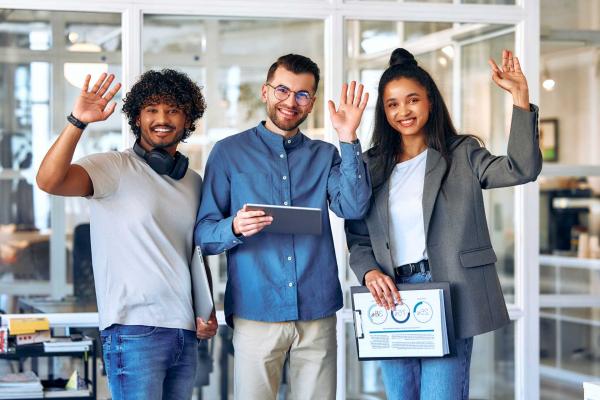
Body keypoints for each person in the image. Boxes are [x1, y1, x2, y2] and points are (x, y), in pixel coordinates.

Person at [345, 48, 542, 400]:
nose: (403, 111)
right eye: (392, 104)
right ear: (383, 111)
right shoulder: (371, 165)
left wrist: (521, 98)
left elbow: (521, 169)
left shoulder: (462, 154)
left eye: (412, 100)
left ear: (430, 102)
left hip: (447, 289)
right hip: (389, 296)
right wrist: (369, 272)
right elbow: (358, 236)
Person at [195, 53, 371, 400]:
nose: (291, 101)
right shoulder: (228, 153)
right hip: (256, 309)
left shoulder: (325, 155)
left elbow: (353, 206)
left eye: (302, 94)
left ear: (312, 103)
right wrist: (235, 226)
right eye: (282, 90)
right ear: (265, 92)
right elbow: (204, 234)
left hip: (317, 310)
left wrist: (348, 138)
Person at [36, 69, 218, 400]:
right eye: (152, 109)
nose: (162, 118)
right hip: (134, 330)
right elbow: (49, 181)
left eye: (173, 109)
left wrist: (205, 309)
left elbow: (193, 252)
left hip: (184, 331)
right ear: (136, 117)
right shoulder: (113, 168)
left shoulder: (193, 181)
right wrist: (78, 121)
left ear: (188, 118)